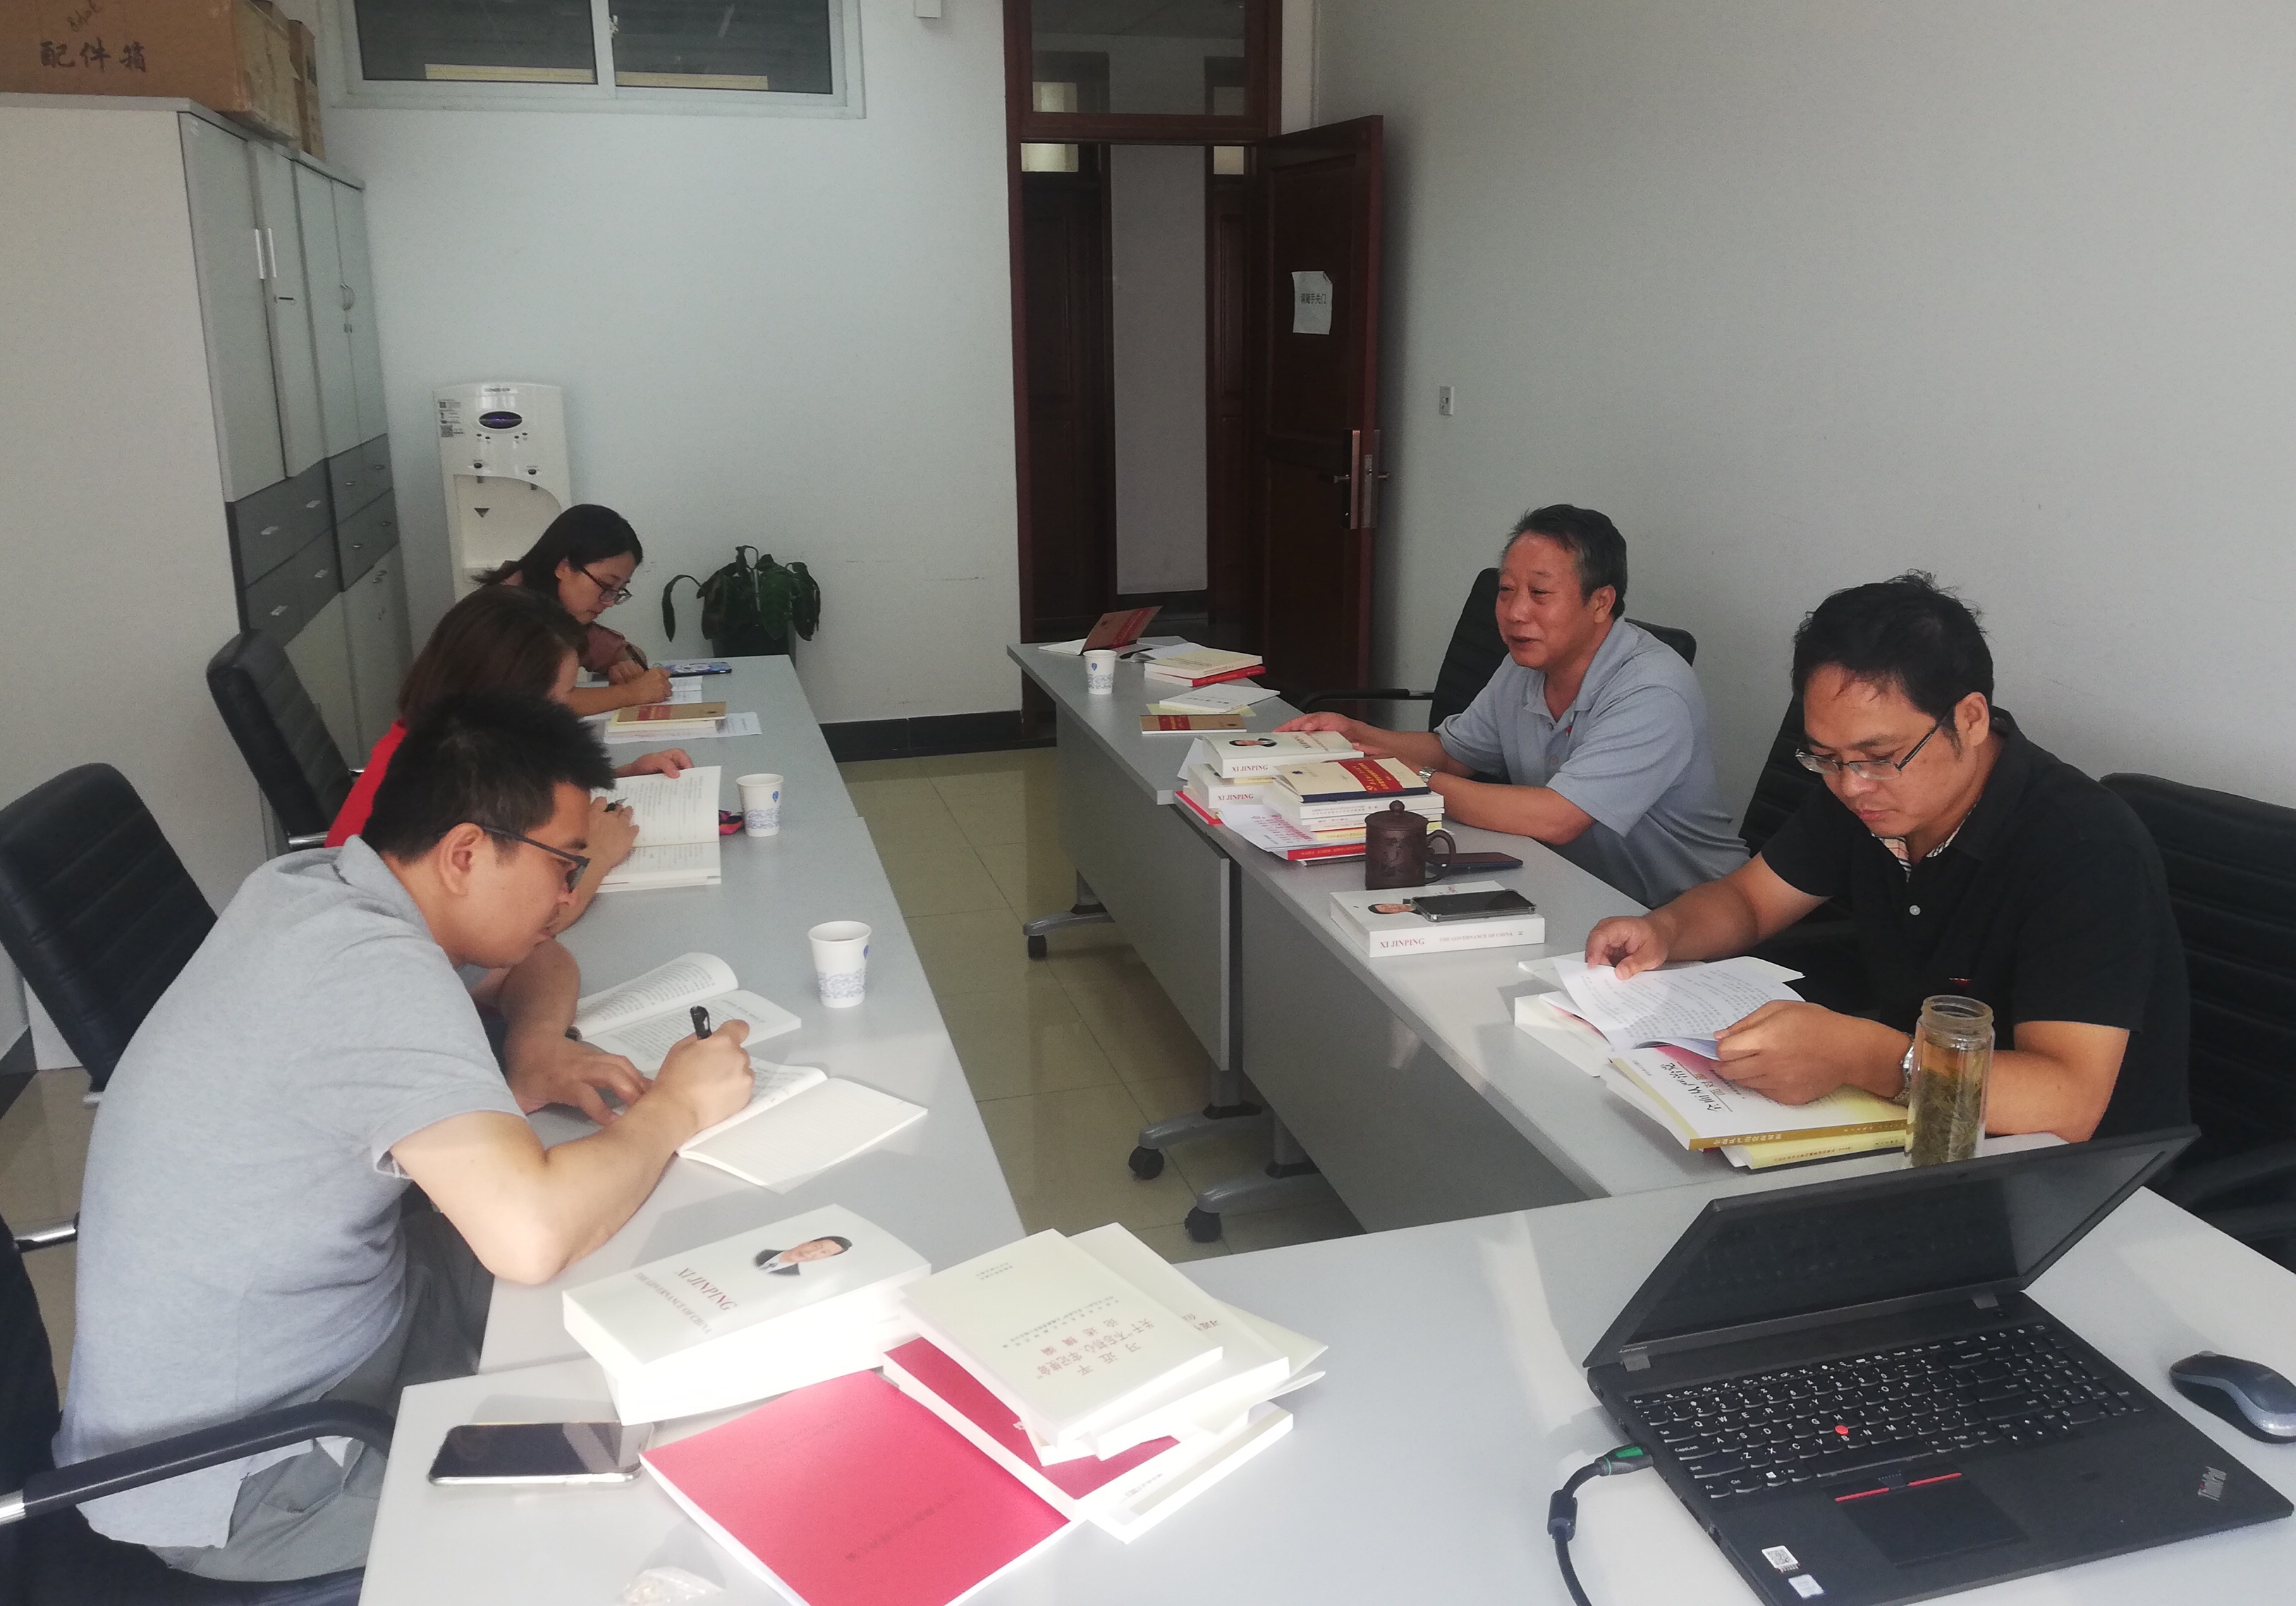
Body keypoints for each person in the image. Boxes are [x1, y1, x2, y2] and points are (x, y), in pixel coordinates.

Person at [56, 692, 757, 1583]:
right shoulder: (367, 969)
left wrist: (536, 1046)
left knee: (633, 1273)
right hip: (256, 1473)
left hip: (342, 1329)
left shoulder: (320, 886)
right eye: (563, 866)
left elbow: (540, 959)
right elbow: (530, 1235)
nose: (569, 896)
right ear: (465, 853)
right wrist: (676, 1108)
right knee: (648, 1492)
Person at [1582, 572, 2190, 1143]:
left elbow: (2068, 1102)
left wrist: (1866, 1057)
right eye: (1825, 757)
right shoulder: (1862, 794)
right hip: (1918, 1123)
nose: (1851, 786)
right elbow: (1749, 901)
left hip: (2071, 1170)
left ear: (1970, 719)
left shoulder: (2084, 849)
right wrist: (1666, 929)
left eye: (1880, 757)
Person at [1278, 504, 1745, 906]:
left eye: (1539, 594)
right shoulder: (1525, 664)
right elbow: (1454, 754)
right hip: (1570, 883)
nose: (1515, 612)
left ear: (1601, 602)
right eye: (1506, 591)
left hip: (1680, 913)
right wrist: (1357, 735)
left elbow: (1558, 818)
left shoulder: (1651, 689)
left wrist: (1413, 780)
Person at [329, 587, 692, 926]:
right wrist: (596, 858)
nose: (565, 712)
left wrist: (623, 777)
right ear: (504, 695)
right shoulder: (445, 778)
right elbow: (523, 924)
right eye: (557, 699)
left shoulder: (448, 743)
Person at [483, 503, 672, 715]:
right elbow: (543, 702)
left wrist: (626, 666)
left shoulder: (562, 614)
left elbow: (625, 652)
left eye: (619, 590)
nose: (610, 601)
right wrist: (632, 693)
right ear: (564, 567)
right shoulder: (504, 612)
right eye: (606, 585)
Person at [752, 1237, 853, 1275]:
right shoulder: (760, 1252)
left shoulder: (792, 1276)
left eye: (824, 1252)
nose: (812, 1252)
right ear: (806, 1243)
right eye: (816, 1246)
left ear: (824, 1258)